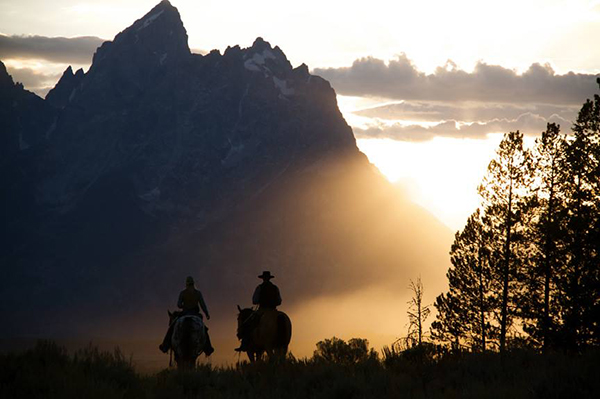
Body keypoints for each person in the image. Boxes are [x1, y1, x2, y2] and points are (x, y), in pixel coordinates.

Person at [159, 276, 214, 355]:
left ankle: (165, 345)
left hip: (185, 313)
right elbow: (202, 305)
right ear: (193, 283)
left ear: (186, 284)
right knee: (204, 329)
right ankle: (208, 348)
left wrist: (183, 306)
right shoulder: (198, 293)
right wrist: (207, 313)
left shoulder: (183, 293)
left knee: (172, 327)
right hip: (195, 313)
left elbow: (178, 305)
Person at [235, 271, 281, 352]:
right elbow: (279, 301)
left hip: (263, 310)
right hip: (273, 310)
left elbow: (254, 301)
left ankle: (244, 344)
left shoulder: (259, 287)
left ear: (263, 279)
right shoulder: (275, 288)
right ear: (269, 278)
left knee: (248, 324)